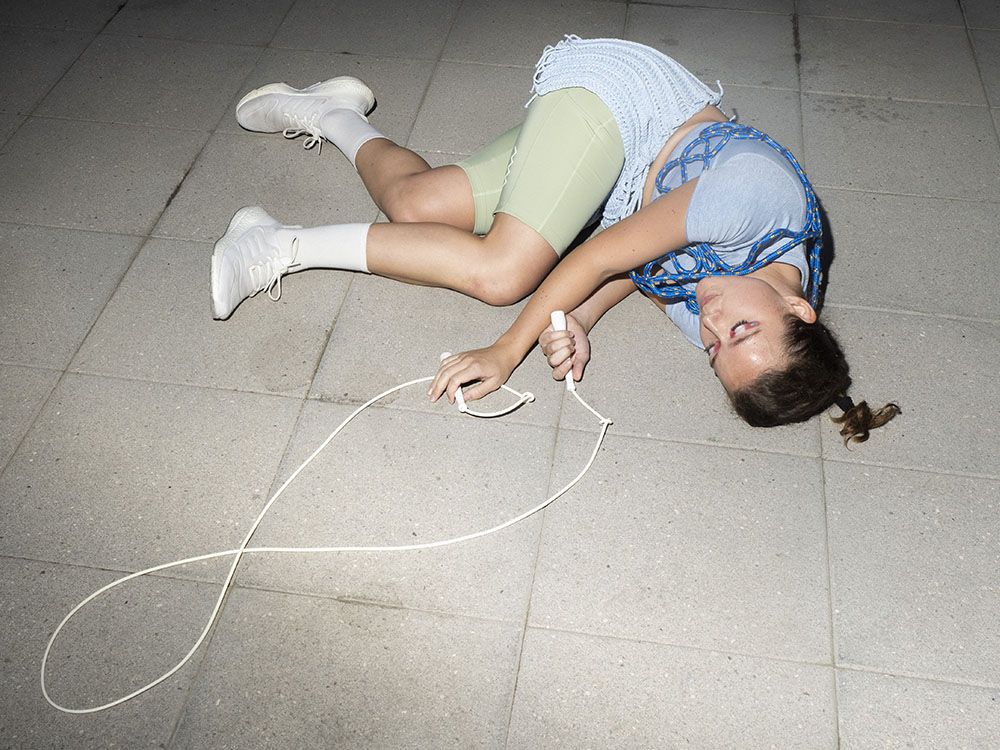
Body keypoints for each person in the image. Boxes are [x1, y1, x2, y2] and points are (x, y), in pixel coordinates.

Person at [212, 36, 899, 444]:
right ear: (799, 309)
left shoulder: (730, 318)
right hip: (630, 107)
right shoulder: (760, 201)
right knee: (504, 274)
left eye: (716, 350)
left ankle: (332, 111)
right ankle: (277, 244)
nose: (712, 323)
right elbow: (600, 255)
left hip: (623, 179)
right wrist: (509, 349)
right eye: (740, 330)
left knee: (415, 204)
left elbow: (640, 265)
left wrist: (579, 322)